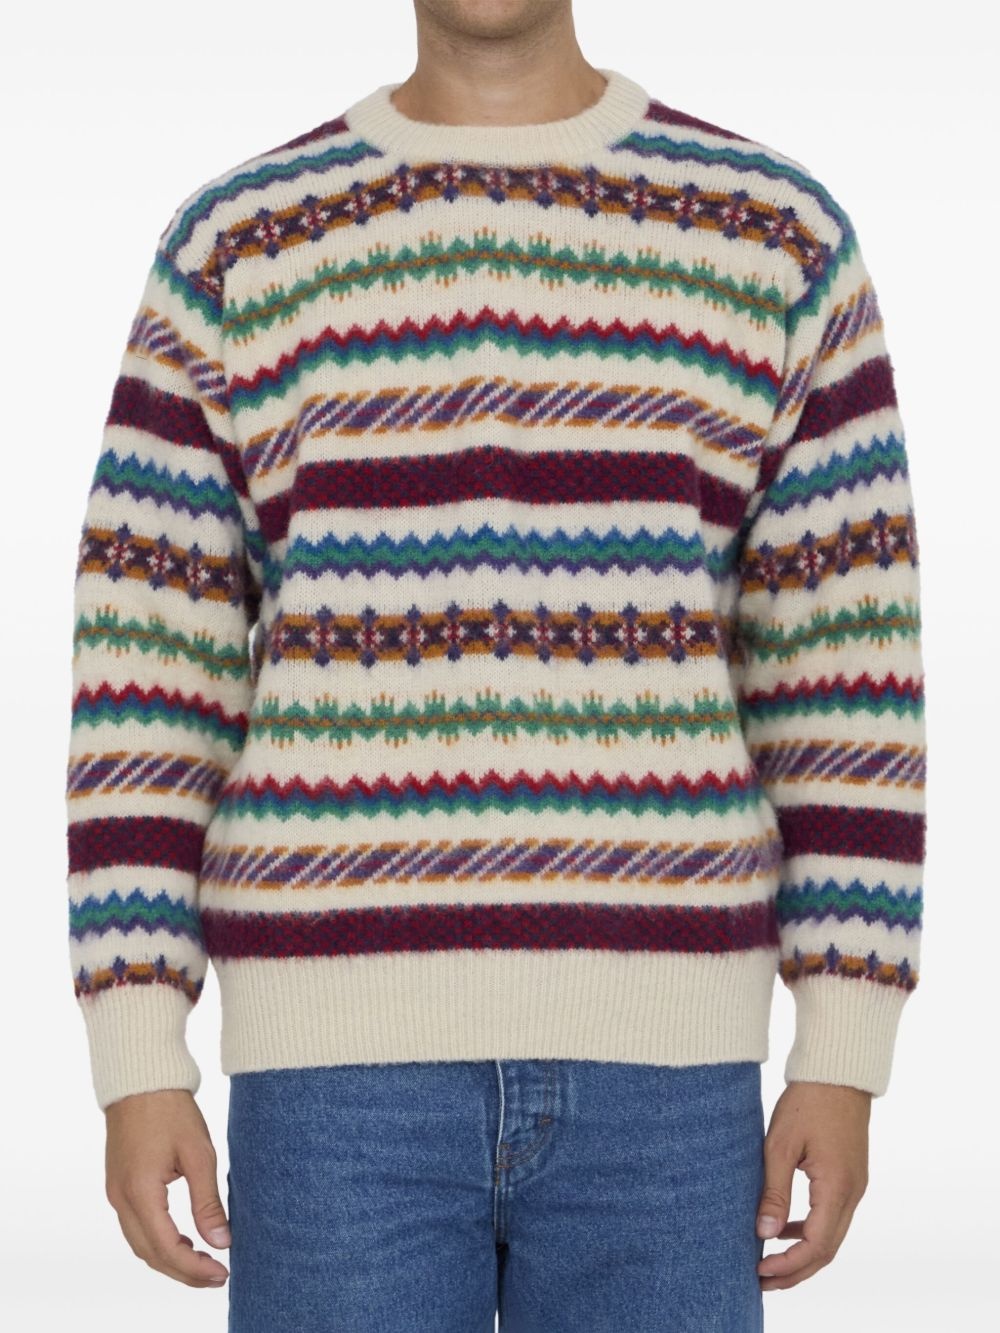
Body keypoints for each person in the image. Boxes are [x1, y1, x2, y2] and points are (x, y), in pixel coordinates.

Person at [65, 1, 927, 1327]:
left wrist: (845, 1044)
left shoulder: (774, 234)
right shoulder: (239, 244)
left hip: (671, 1075)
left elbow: (845, 671)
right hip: (331, 1074)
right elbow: (148, 672)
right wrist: (135, 1052)